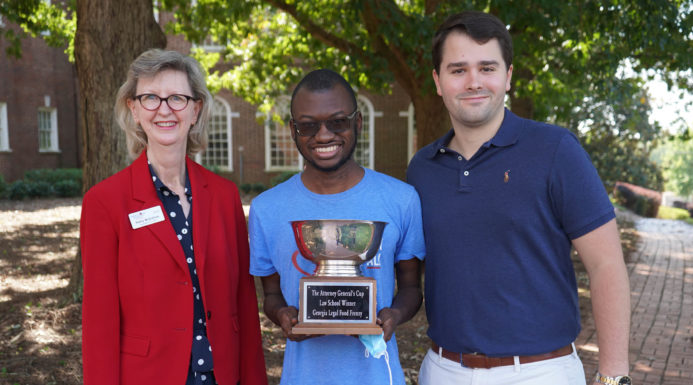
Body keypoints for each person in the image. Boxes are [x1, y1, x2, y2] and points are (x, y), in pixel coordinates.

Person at [407, 11, 631, 385]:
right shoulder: (422, 169)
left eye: (487, 68)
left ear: (508, 77)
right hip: (442, 370)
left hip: (539, 372)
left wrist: (614, 377)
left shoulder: (556, 150)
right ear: (438, 81)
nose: (474, 81)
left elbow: (606, 266)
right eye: (458, 69)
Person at [80, 49, 267, 385]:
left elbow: (243, 302)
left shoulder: (224, 196)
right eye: (151, 97)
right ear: (134, 109)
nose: (164, 109)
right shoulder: (105, 203)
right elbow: (100, 321)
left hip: (222, 375)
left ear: (195, 110)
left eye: (177, 98)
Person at [248, 69, 425, 385]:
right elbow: (271, 295)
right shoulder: (267, 208)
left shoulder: (401, 199)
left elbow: (411, 288)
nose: (324, 135)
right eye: (308, 125)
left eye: (338, 122)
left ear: (357, 123)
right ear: (293, 130)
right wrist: (284, 317)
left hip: (378, 376)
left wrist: (394, 315)